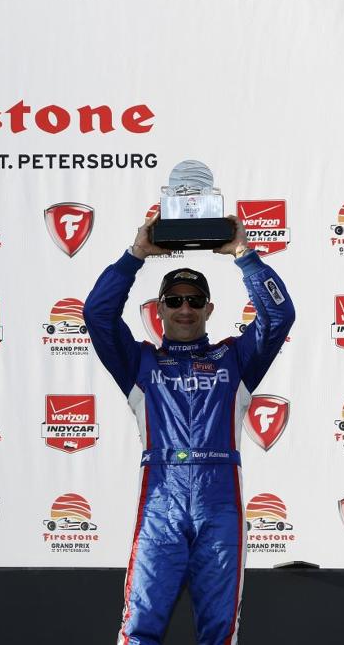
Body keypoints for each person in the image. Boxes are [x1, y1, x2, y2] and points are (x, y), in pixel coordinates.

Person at [83, 213, 295, 645]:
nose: (185, 309)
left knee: (220, 631)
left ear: (209, 308)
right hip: (160, 501)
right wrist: (136, 254)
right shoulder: (139, 361)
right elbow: (97, 314)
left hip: (220, 504)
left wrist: (243, 254)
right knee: (139, 628)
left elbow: (278, 316)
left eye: (195, 300)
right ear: (158, 308)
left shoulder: (235, 359)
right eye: (175, 300)